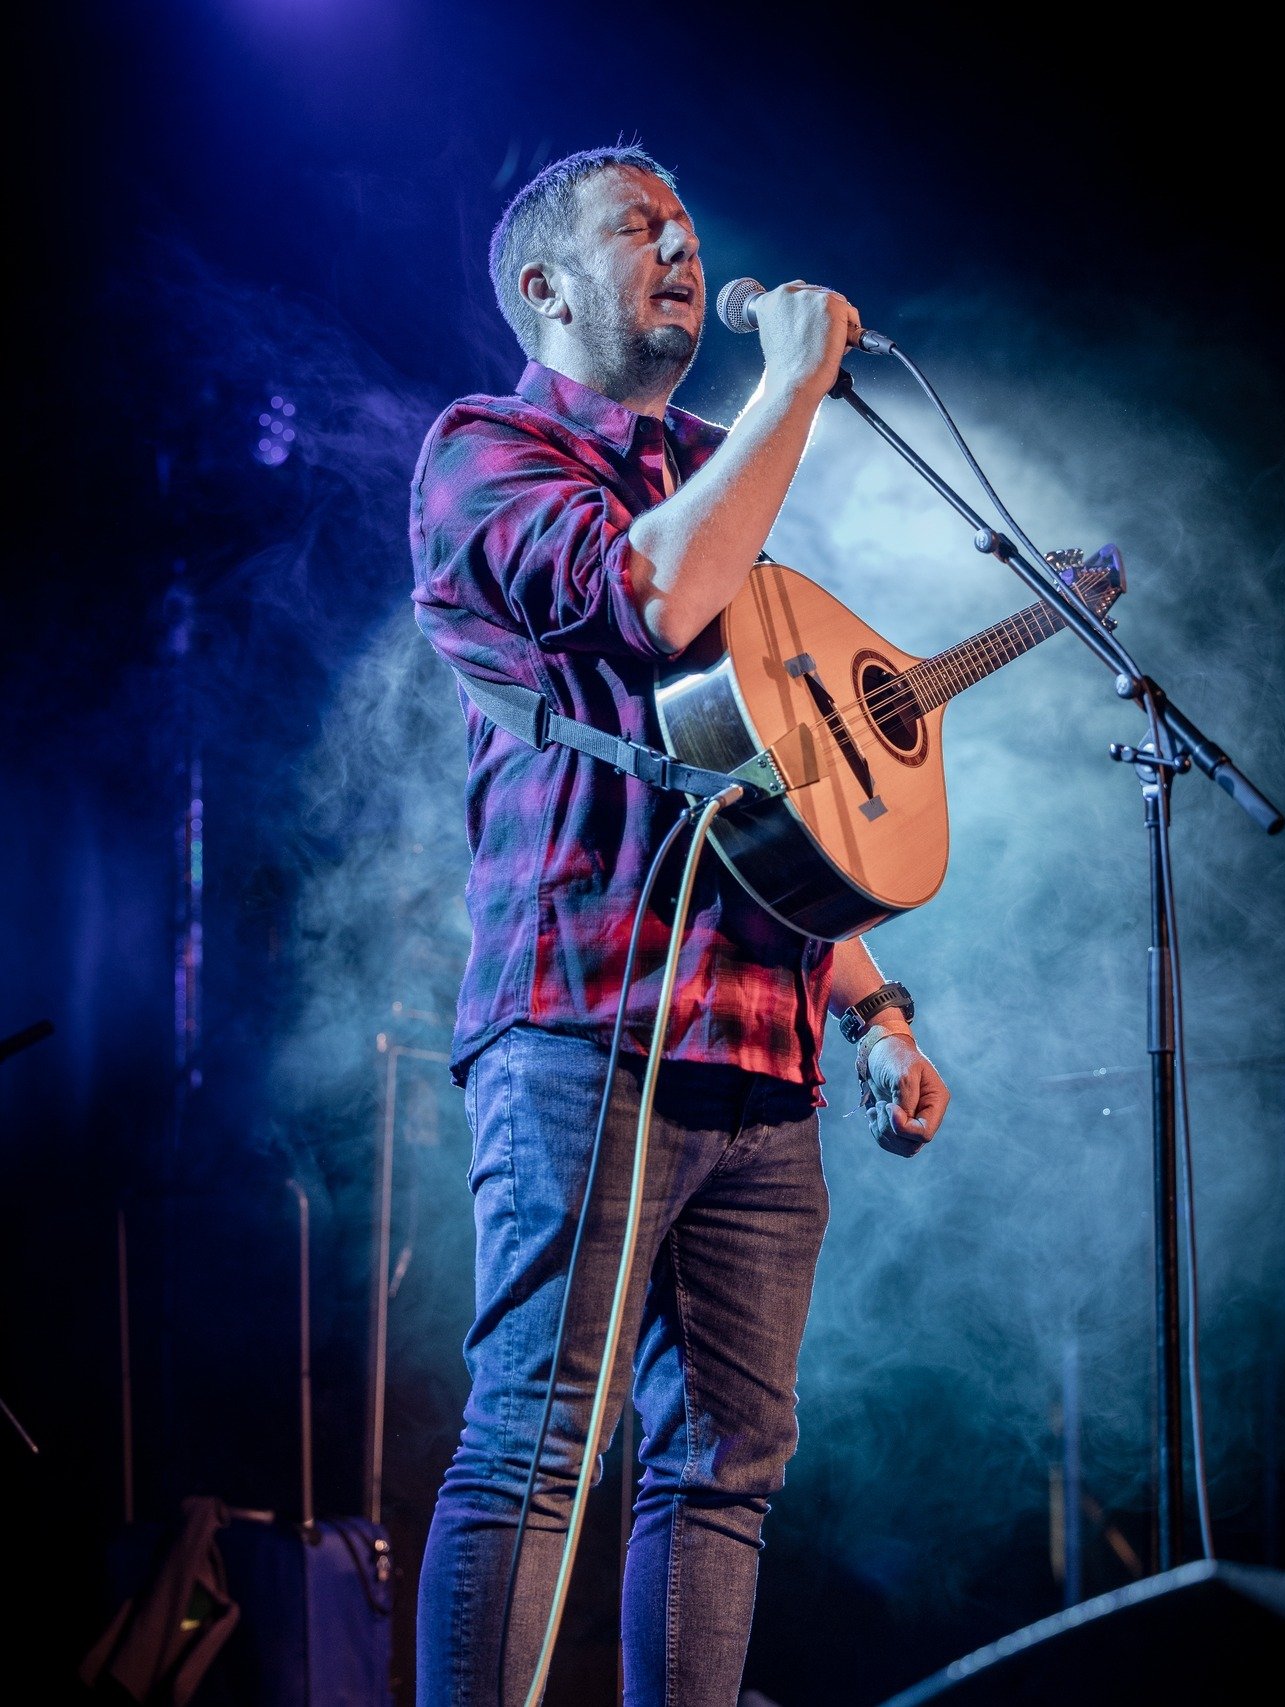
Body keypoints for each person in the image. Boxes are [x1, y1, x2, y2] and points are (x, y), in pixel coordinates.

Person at [408, 143, 951, 1707]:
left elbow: (776, 791)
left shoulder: (724, 467)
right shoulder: (485, 446)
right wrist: (786, 397)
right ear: (545, 287)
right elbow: (639, 597)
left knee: (725, 1470)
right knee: (535, 1440)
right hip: (588, 1022)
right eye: (637, 229)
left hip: (762, 1052)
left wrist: (874, 1005)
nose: (681, 250)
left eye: (690, 226)